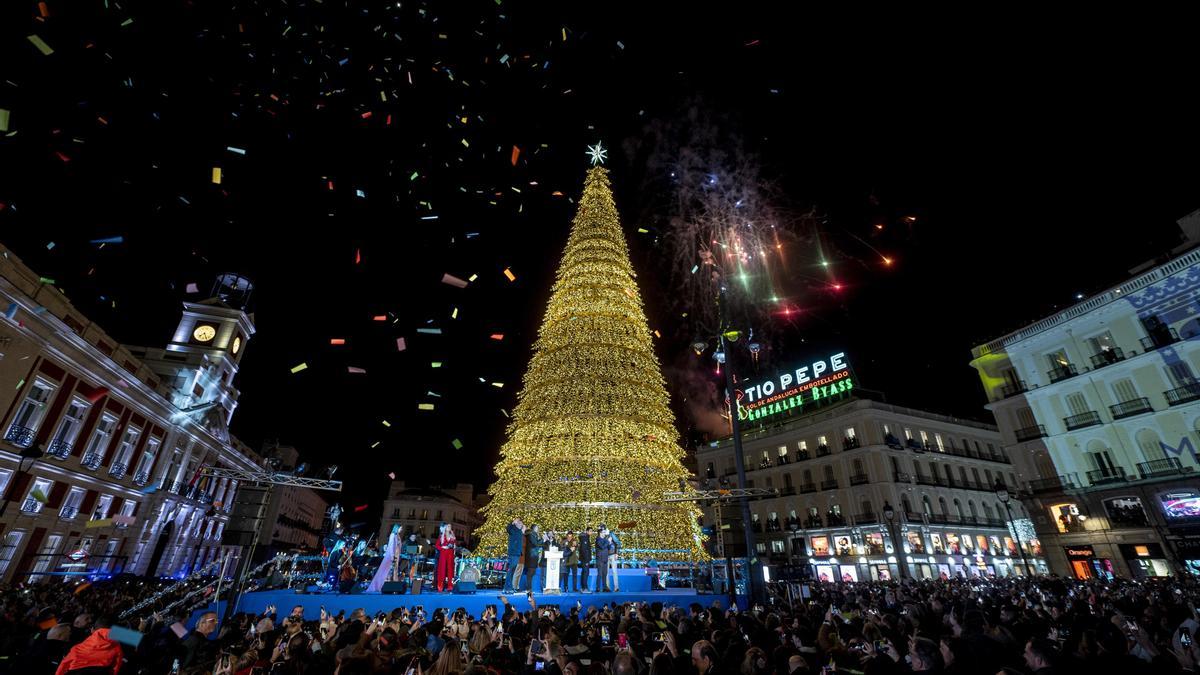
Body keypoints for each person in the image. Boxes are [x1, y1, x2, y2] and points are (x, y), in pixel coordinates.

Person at [56, 614, 122, 675]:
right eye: (87, 619)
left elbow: (63, 665)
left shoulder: (77, 646)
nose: (90, 621)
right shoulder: (117, 646)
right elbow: (115, 668)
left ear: (92, 630)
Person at [369, 524, 403, 593]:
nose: (401, 530)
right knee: (387, 571)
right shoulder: (393, 535)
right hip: (392, 555)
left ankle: (394, 584)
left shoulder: (397, 535)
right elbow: (391, 546)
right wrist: (392, 555)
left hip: (397, 555)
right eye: (400, 528)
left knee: (395, 570)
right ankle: (382, 585)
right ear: (397, 528)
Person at [505, 517, 525, 593]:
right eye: (519, 523)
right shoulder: (513, 529)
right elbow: (507, 528)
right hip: (513, 553)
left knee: (512, 571)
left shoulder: (519, 531)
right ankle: (507, 588)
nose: (521, 524)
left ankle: (509, 588)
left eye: (521, 523)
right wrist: (513, 522)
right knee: (510, 571)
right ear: (516, 524)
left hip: (517, 553)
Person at [436, 522, 458, 592]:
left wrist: (454, 546)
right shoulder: (442, 536)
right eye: (448, 526)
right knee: (442, 569)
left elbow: (455, 545)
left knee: (450, 570)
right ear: (445, 527)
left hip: (450, 554)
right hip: (443, 553)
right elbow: (437, 546)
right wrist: (443, 547)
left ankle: (450, 586)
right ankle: (440, 586)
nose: (449, 527)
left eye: (450, 526)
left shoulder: (453, 536)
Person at [524, 524, 544, 593]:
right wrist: (542, 539)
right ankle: (528, 589)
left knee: (532, 572)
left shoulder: (533, 534)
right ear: (534, 528)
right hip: (531, 556)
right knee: (530, 573)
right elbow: (535, 543)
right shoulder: (531, 534)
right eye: (537, 528)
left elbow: (536, 543)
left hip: (533, 556)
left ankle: (529, 588)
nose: (538, 529)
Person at [595, 526, 614, 592]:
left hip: (605, 558)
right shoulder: (598, 539)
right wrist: (608, 542)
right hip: (600, 559)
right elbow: (602, 547)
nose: (604, 533)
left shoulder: (605, 539)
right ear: (600, 533)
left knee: (605, 574)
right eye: (603, 532)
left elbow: (608, 547)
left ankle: (604, 587)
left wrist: (610, 542)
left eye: (604, 532)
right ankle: (597, 587)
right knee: (599, 574)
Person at [578, 527, 593, 593]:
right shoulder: (585, 538)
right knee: (585, 573)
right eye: (590, 531)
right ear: (587, 531)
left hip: (584, 559)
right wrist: (586, 560)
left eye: (592, 531)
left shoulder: (585, 537)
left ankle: (583, 587)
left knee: (584, 572)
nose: (591, 532)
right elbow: (584, 550)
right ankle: (585, 588)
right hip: (585, 559)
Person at [607, 527, 622, 592]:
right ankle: (607, 587)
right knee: (606, 572)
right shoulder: (601, 535)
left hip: (613, 555)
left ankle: (616, 587)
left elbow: (618, 543)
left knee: (614, 571)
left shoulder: (611, 534)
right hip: (605, 555)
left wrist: (616, 553)